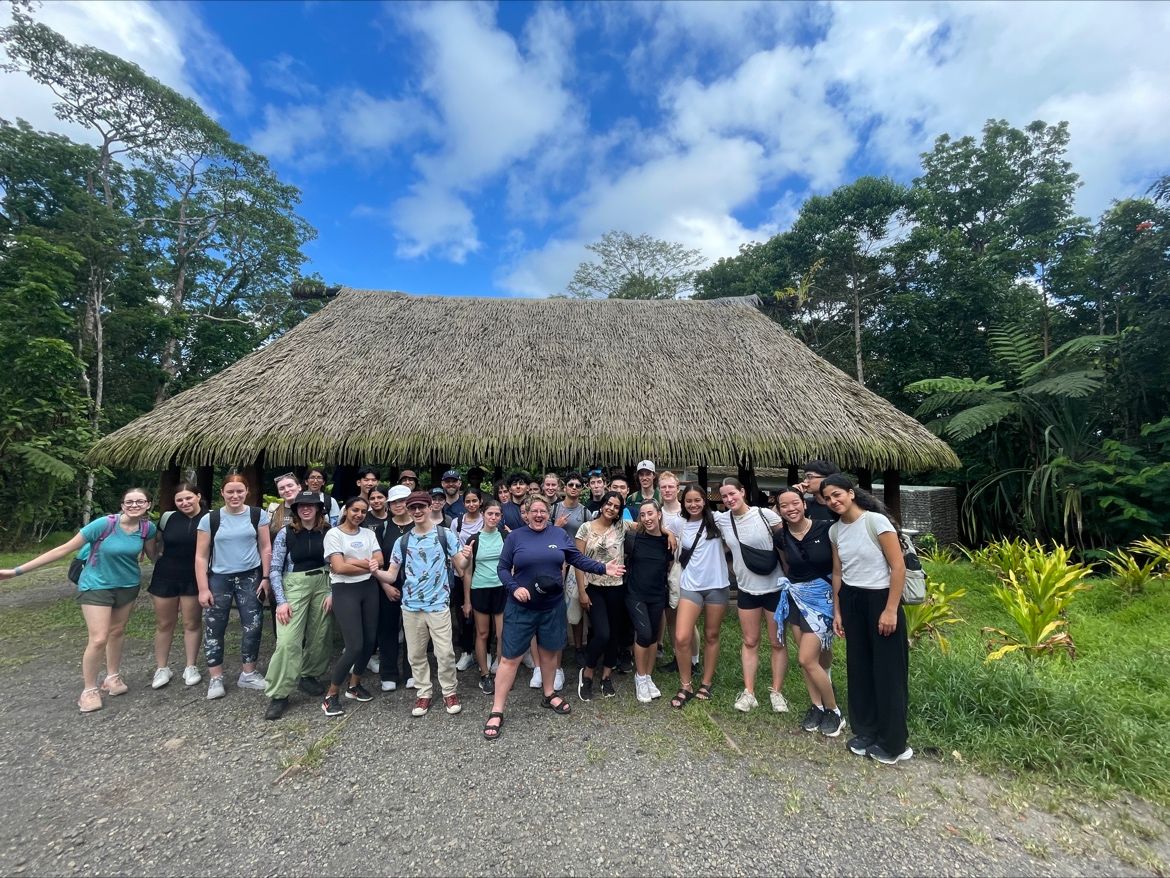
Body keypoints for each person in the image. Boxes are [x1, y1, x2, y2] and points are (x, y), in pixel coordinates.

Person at [1, 487, 159, 713]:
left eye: (140, 501)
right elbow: (63, 549)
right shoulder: (103, 525)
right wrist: (16, 571)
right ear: (122, 505)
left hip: (127, 585)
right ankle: (89, 690)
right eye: (129, 502)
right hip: (96, 585)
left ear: (148, 505)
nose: (134, 505)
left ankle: (112, 677)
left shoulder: (147, 528)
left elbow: (153, 556)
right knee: (99, 638)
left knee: (117, 631)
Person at [485, 494, 622, 740]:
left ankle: (549, 694)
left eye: (543, 511)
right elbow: (503, 568)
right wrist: (514, 587)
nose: (539, 515)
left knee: (549, 653)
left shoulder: (558, 535)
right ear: (526, 514)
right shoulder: (515, 537)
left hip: (551, 606)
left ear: (549, 514)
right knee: (510, 658)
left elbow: (576, 559)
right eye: (534, 511)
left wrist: (603, 568)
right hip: (521, 607)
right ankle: (497, 709)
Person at [822, 474, 912, 764]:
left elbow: (898, 567)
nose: (833, 501)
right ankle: (866, 731)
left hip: (881, 599)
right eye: (828, 498)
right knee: (859, 668)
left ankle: (894, 743)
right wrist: (838, 611)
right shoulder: (835, 531)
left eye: (837, 494)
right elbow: (838, 572)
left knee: (887, 672)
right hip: (852, 600)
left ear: (851, 493)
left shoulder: (875, 522)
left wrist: (890, 609)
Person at [381, 491, 462, 718]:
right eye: (413, 508)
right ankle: (423, 692)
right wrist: (375, 571)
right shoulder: (402, 541)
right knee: (416, 655)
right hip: (411, 606)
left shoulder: (445, 535)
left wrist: (467, 555)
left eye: (421, 507)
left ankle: (449, 691)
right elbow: (391, 575)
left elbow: (462, 566)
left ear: (429, 507)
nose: (417, 511)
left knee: (445, 653)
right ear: (408, 510)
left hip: (438, 604)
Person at [715, 477, 789, 714]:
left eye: (732, 493)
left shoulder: (766, 516)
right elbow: (691, 517)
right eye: (724, 496)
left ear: (742, 491)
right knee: (749, 641)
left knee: (777, 642)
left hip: (775, 587)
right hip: (747, 589)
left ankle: (777, 692)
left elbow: (785, 543)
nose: (729, 499)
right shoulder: (722, 520)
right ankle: (749, 692)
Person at [195, 474, 272, 701]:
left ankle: (248, 672)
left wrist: (266, 577)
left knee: (253, 624)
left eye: (240, 491)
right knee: (214, 626)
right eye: (230, 491)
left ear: (247, 491)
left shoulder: (258, 515)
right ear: (222, 493)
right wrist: (203, 588)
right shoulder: (210, 519)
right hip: (219, 577)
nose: (235, 495)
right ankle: (216, 677)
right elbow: (201, 556)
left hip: (251, 576)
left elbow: (265, 547)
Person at [774, 487, 842, 736]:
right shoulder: (781, 536)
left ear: (804, 504)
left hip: (823, 598)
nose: (790, 509)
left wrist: (838, 607)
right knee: (810, 660)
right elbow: (787, 566)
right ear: (779, 510)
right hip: (797, 598)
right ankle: (817, 706)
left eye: (795, 503)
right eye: (784, 505)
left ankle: (834, 711)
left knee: (806, 658)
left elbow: (838, 569)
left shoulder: (826, 529)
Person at [264, 490, 334, 720]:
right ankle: (279, 693)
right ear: (295, 509)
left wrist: (332, 591)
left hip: (323, 582)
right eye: (301, 505)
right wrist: (281, 601)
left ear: (318, 509)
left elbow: (335, 562)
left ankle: (309, 674)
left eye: (310, 505)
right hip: (294, 584)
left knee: (320, 634)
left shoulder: (328, 531)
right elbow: (275, 568)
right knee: (287, 640)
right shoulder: (286, 533)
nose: (306, 509)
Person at [665, 482, 728, 707]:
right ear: (683, 502)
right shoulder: (678, 522)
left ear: (705, 501)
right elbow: (663, 528)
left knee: (712, 635)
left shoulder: (718, 520)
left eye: (697, 500)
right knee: (682, 637)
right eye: (689, 501)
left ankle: (706, 683)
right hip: (691, 585)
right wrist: (669, 534)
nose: (693, 504)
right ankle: (686, 684)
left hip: (717, 585)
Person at [320, 496, 381, 716]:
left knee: (370, 642)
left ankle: (354, 685)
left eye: (363, 511)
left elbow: (380, 561)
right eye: (355, 510)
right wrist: (366, 564)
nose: (359, 515)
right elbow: (339, 568)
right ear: (346, 510)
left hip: (369, 588)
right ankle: (331, 694)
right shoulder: (334, 534)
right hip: (345, 590)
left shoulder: (369, 534)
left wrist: (351, 561)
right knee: (354, 645)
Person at [147, 482, 204, 690]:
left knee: (191, 623)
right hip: (165, 575)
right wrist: (156, 558)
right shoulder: (168, 518)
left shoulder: (209, 518)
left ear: (198, 497)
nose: (184, 502)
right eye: (180, 500)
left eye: (189, 498)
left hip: (194, 577)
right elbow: (154, 542)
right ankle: (162, 668)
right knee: (164, 623)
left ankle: (191, 666)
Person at [575, 491, 630, 700]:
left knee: (614, 634)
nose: (611, 508)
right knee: (602, 633)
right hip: (593, 587)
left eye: (616, 506)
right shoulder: (586, 528)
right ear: (602, 504)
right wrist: (582, 591)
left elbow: (646, 524)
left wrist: (668, 532)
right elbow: (577, 561)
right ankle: (588, 672)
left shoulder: (621, 526)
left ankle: (607, 675)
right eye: (609, 504)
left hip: (616, 587)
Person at [455, 499, 508, 695]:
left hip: (501, 589)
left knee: (502, 634)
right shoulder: (473, 539)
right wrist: (467, 601)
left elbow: (511, 566)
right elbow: (467, 572)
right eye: (490, 514)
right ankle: (484, 674)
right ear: (483, 515)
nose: (493, 517)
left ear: (501, 517)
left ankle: (501, 672)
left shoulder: (505, 536)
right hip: (480, 589)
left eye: (497, 514)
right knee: (482, 633)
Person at [624, 500, 673, 703]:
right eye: (643, 515)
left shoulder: (668, 541)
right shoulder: (634, 538)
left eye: (650, 513)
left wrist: (669, 533)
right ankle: (640, 676)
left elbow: (669, 567)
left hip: (657, 595)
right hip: (635, 594)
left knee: (653, 637)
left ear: (659, 514)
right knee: (643, 634)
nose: (646, 518)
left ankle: (649, 677)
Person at [371, 484, 413, 692]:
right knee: (387, 628)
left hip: (415, 586)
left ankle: (411, 672)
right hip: (388, 583)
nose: (398, 505)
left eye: (402, 501)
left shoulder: (418, 525)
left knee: (413, 630)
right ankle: (388, 673)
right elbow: (376, 561)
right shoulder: (383, 528)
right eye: (394, 502)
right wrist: (385, 585)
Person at [656, 471, 697, 674]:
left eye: (670, 486)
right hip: (662, 569)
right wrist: (667, 531)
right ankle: (677, 655)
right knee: (670, 615)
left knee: (687, 617)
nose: (667, 490)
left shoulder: (687, 510)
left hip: (684, 569)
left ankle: (694, 660)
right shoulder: (657, 512)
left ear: (677, 488)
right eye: (663, 487)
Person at [552, 472, 592, 663]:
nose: (574, 488)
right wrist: (557, 526)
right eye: (571, 485)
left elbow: (590, 538)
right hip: (555, 563)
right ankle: (556, 645)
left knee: (576, 604)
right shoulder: (553, 509)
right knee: (555, 605)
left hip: (576, 563)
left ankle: (578, 647)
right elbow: (544, 534)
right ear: (564, 487)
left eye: (578, 485)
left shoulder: (585, 513)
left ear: (582, 489)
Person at [450, 488, 485, 672]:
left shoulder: (486, 519)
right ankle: (467, 652)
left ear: (480, 501)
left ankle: (485, 652)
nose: (471, 504)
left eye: (474, 500)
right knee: (464, 613)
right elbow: (452, 549)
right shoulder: (457, 522)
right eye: (468, 501)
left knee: (483, 613)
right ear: (463, 503)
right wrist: (462, 573)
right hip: (461, 573)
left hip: (483, 574)